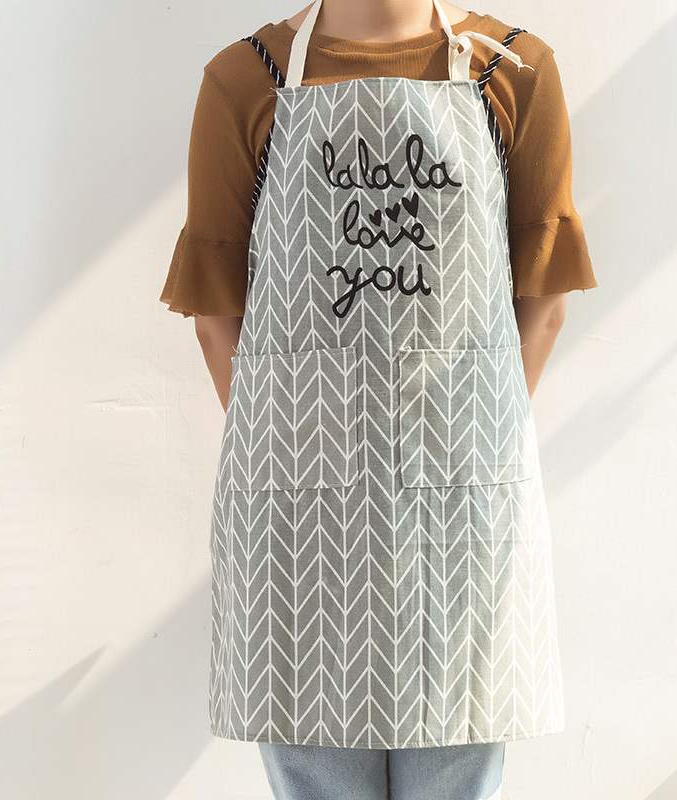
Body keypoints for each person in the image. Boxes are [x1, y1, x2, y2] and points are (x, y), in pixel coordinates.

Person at [159, 0, 597, 797]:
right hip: (314, 534)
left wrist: (304, 437)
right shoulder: (246, 78)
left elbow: (543, 301)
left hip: (436, 523)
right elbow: (215, 315)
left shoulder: (513, 71)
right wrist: (455, 435)